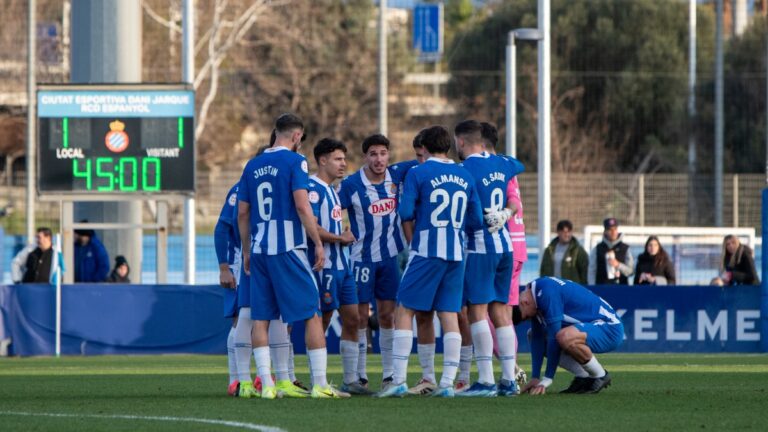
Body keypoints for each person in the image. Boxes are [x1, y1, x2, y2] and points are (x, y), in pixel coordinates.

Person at [237, 113, 343, 399]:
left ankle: (267, 385)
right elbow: (301, 204)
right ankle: (320, 384)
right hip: (288, 248)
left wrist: (247, 250)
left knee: (261, 317)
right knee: (312, 312)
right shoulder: (296, 162)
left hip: (259, 249)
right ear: (297, 136)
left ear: (275, 132)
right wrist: (317, 243)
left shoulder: (253, 164)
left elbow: (243, 212)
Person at [376, 125, 484, 398]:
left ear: (425, 147)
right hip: (456, 253)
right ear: (448, 146)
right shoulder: (465, 174)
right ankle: (447, 383)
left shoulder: (418, 172)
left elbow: (405, 212)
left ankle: (398, 380)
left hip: (426, 249)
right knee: (448, 313)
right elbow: (476, 219)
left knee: (405, 310)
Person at [337, 133, 413, 391]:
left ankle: (390, 374)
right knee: (359, 317)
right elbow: (333, 210)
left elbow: (427, 160)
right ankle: (359, 375)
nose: (379, 159)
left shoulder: (398, 174)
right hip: (362, 260)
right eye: (373, 154)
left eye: (382, 153)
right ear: (365, 157)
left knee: (387, 315)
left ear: (388, 155)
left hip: (391, 257)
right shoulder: (351, 185)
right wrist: (340, 234)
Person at [454, 120, 525, 397]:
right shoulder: (503, 163)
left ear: (461, 142)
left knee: (477, 312)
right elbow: (518, 164)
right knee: (500, 311)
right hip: (505, 247)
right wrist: (506, 213)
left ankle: (484, 380)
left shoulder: (465, 170)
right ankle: (508, 380)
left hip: (480, 247)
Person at [307, 138, 367, 394]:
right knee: (324, 319)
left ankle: (351, 380)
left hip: (344, 265)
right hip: (326, 267)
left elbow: (327, 226)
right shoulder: (312, 189)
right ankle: (317, 381)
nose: (343, 164)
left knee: (353, 319)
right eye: (338, 159)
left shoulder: (333, 190)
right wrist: (338, 237)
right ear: (322, 160)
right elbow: (310, 227)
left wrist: (341, 234)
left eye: (344, 159)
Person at [516, 277, 623, 395]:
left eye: (526, 317)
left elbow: (554, 339)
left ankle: (600, 375)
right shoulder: (534, 296)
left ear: (524, 302)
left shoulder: (546, 292)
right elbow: (537, 337)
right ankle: (583, 376)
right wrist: (535, 377)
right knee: (532, 334)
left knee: (563, 336)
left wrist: (547, 379)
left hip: (610, 328)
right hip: (595, 326)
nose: (528, 319)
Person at [540, 220, 589, 284]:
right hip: (553, 287)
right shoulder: (549, 250)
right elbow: (543, 270)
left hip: (571, 289)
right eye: (564, 232)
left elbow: (585, 271)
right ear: (558, 232)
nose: (567, 235)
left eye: (569, 232)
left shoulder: (577, 250)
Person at [588, 218, 634, 285]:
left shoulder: (625, 249)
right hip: (601, 289)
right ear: (605, 231)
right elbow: (591, 271)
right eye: (610, 229)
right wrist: (592, 288)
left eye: (615, 229)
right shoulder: (597, 249)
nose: (613, 232)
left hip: (622, 290)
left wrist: (618, 265)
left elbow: (631, 271)